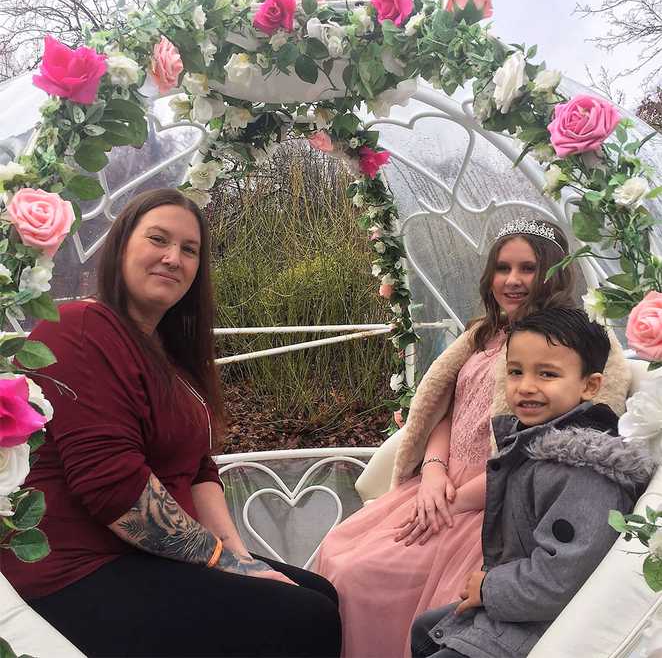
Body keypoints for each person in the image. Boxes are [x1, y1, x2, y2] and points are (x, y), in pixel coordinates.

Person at [2, 188, 342, 658]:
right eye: (158, 239)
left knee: (321, 592)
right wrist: (226, 564)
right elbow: (114, 489)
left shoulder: (170, 355)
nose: (172, 258)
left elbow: (200, 468)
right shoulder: (78, 327)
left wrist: (239, 557)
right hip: (81, 569)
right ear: (122, 247)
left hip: (151, 557)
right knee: (306, 616)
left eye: (189, 250)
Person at [314, 218, 631, 658]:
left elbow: (566, 437)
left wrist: (458, 499)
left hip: (491, 501)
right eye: (503, 268)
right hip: (437, 485)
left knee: (365, 573)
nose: (513, 280)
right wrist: (431, 472)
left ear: (553, 272)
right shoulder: (482, 333)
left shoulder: (577, 342)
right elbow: (444, 411)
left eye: (527, 268)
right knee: (338, 551)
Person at [410, 308, 653, 658]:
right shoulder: (533, 446)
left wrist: (490, 588)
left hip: (546, 631)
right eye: (515, 372)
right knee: (424, 629)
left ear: (590, 385)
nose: (526, 387)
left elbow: (560, 580)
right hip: (522, 611)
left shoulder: (585, 472)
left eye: (547, 374)